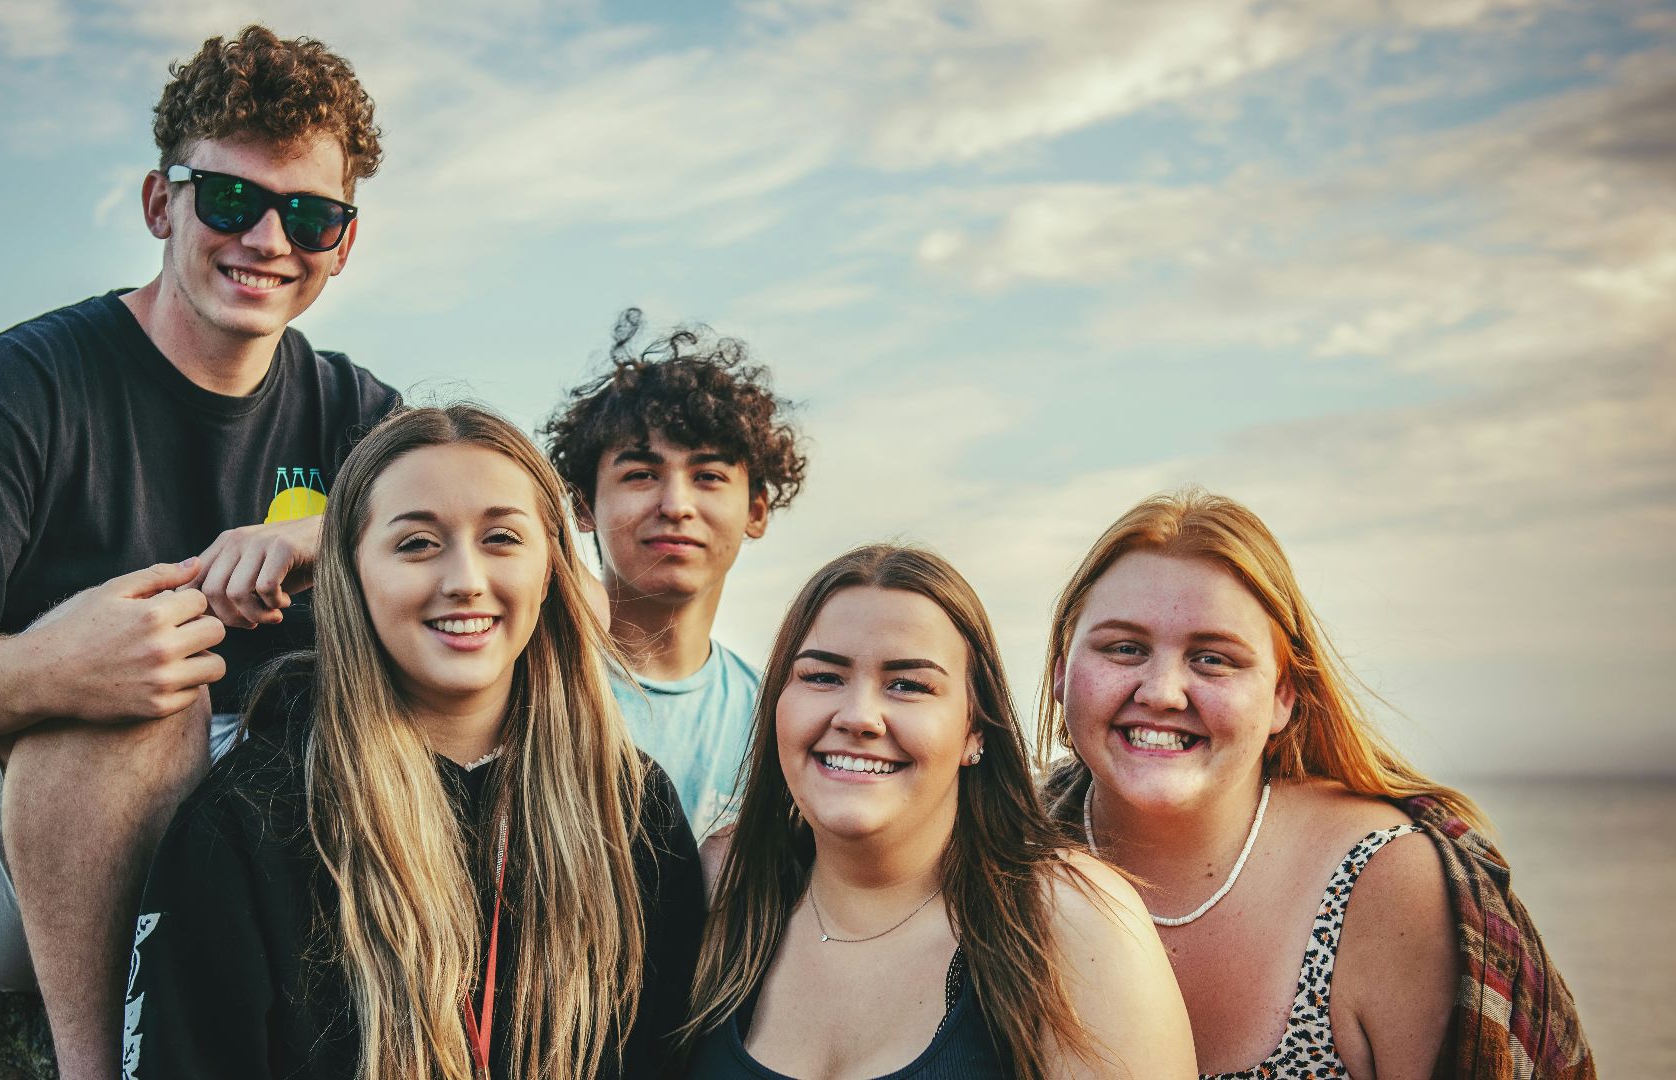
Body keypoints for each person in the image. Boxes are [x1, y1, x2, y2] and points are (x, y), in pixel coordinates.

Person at [0, 26, 397, 1080]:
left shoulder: (358, 419)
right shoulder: (25, 384)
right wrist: (63, 663)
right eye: (232, 200)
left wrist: (321, 530)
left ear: (343, 242)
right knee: (152, 680)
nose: (271, 240)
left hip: (211, 832)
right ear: (161, 204)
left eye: (312, 215)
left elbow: (522, 548)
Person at [123, 405, 705, 1079]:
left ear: (551, 571)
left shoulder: (631, 807)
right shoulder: (252, 816)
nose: (463, 579)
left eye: (502, 539)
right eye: (416, 544)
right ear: (352, 574)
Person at [1038, 488, 1596, 1079]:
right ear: (1061, 672)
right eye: (1124, 649)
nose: (1162, 692)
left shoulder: (1390, 885)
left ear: (1283, 696)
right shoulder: (998, 858)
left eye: (1213, 659)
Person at [682, 545, 1195, 1079]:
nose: (859, 717)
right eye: (822, 677)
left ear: (975, 728)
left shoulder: (1071, 921)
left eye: (908, 685)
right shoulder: (722, 883)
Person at [543, 308, 807, 838]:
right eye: (641, 474)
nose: (676, 504)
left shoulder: (778, 722)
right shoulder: (525, 683)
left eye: (709, 475)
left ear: (756, 511)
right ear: (583, 505)